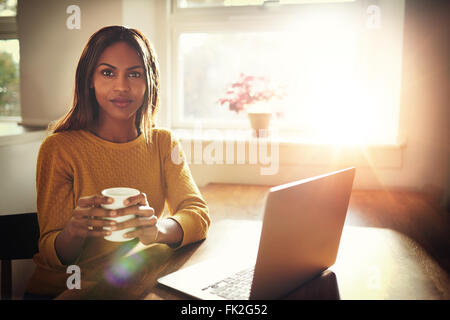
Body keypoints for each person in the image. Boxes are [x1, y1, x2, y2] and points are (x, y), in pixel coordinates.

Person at [24, 26, 210, 299]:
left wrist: (158, 230)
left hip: (129, 285)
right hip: (62, 291)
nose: (122, 86)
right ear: (90, 79)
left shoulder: (163, 143)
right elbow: (52, 252)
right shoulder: (59, 148)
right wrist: (74, 231)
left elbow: (198, 214)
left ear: (149, 82)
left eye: (134, 74)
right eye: (107, 72)